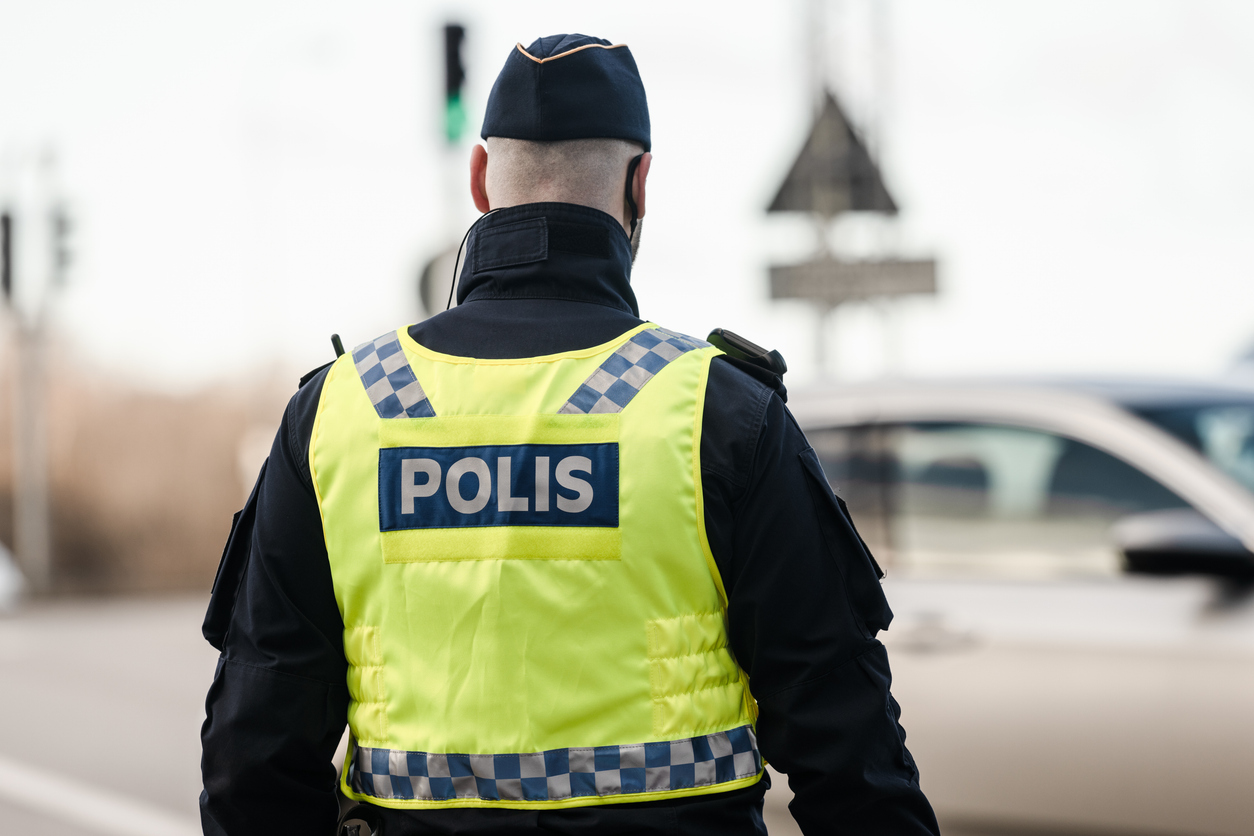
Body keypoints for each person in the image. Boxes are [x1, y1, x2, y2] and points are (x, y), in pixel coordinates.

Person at [199, 33, 939, 836]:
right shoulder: (717, 411)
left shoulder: (340, 413)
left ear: (480, 179)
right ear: (640, 183)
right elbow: (850, 757)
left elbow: (254, 764)